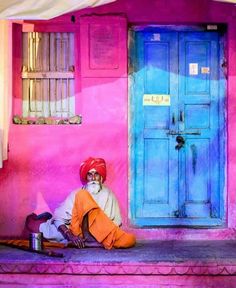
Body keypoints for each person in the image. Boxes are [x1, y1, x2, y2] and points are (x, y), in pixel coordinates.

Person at [24, 157, 136, 250]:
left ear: (101, 177)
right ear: (86, 177)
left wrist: (104, 232)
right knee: (34, 226)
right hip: (77, 232)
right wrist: (71, 235)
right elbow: (59, 218)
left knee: (129, 240)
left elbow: (115, 222)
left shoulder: (109, 194)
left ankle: (91, 243)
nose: (93, 178)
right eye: (89, 174)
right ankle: (87, 241)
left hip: (100, 235)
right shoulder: (79, 193)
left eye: (96, 174)